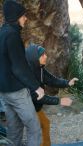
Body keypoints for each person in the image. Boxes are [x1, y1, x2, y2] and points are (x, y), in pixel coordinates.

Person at [0, 1, 44, 146]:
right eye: (23, 16)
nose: (25, 18)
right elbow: (19, 68)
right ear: (16, 17)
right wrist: (36, 87)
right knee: (34, 128)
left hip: (4, 91)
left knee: (14, 128)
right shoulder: (13, 35)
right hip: (17, 92)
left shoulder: (2, 33)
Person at [25, 44, 78, 146]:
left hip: (35, 107)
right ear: (34, 58)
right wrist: (60, 101)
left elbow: (51, 79)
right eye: (42, 55)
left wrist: (67, 83)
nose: (46, 56)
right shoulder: (28, 74)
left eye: (45, 54)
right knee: (35, 131)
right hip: (27, 108)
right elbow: (36, 97)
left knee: (45, 124)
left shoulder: (39, 68)